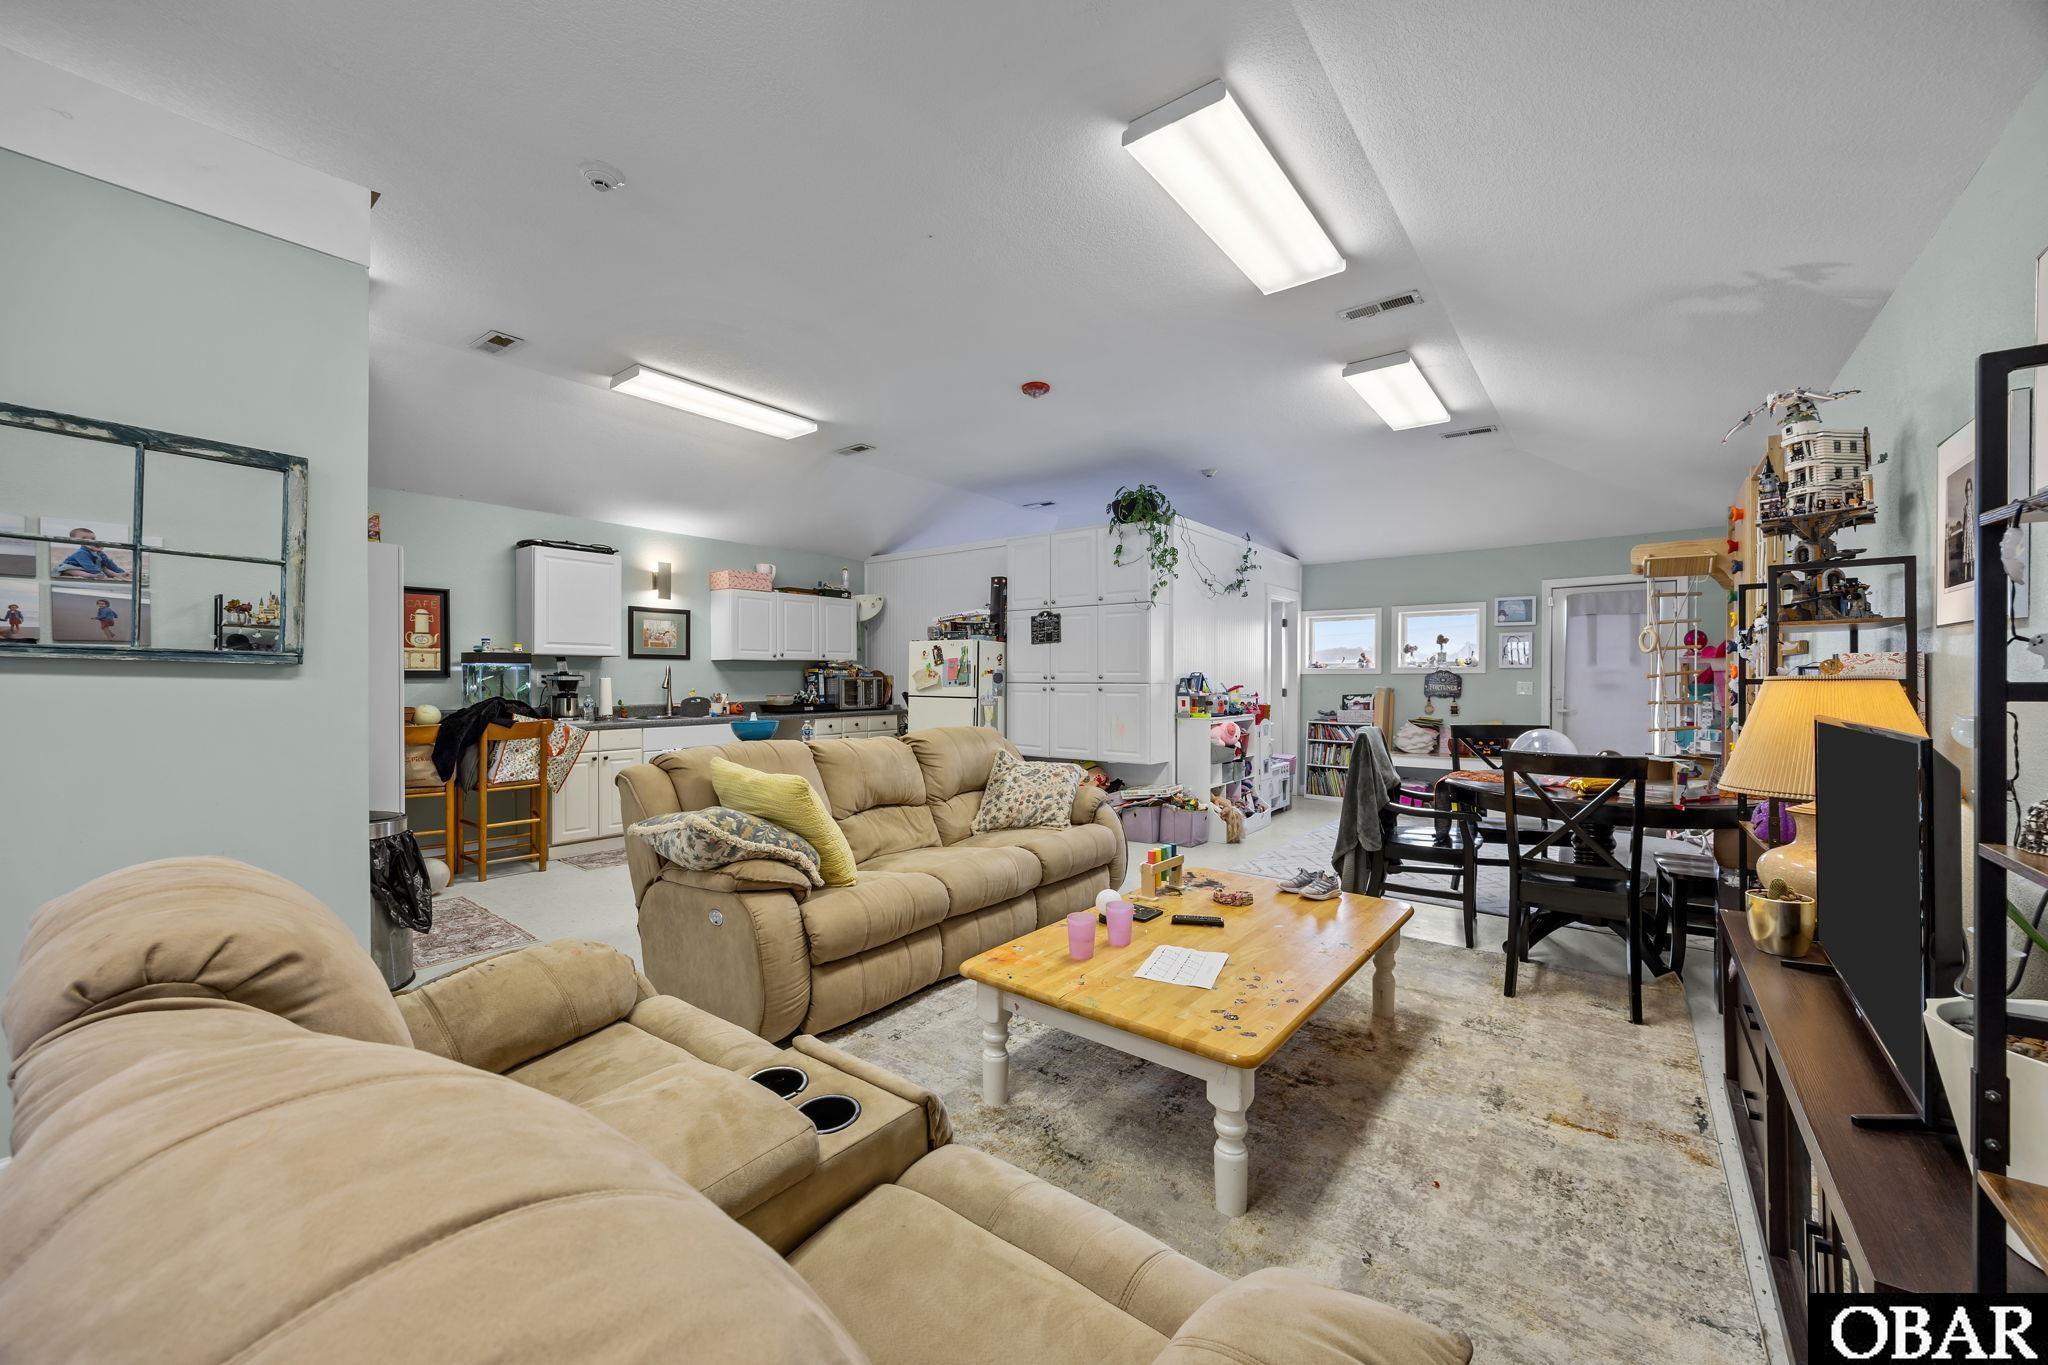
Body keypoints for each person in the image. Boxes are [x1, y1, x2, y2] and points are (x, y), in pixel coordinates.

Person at [55, 528, 129, 581]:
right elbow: (88, 566)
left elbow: (109, 563)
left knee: (104, 567)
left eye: (93, 539)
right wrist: (98, 573)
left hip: (89, 568)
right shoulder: (80, 552)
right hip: (75, 567)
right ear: (75, 541)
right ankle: (91, 575)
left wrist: (119, 571)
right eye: (84, 538)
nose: (89, 540)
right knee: (69, 570)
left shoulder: (99, 552)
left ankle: (117, 574)